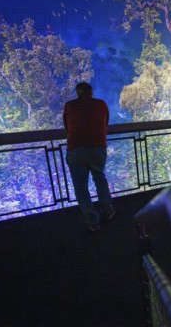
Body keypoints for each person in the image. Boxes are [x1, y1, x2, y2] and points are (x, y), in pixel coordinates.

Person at [63, 82, 115, 231]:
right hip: (97, 149)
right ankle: (107, 210)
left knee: (80, 186)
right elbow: (105, 125)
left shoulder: (69, 106)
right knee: (100, 179)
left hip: (76, 150)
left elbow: (67, 127)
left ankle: (92, 219)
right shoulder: (101, 104)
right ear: (91, 92)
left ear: (78, 93)